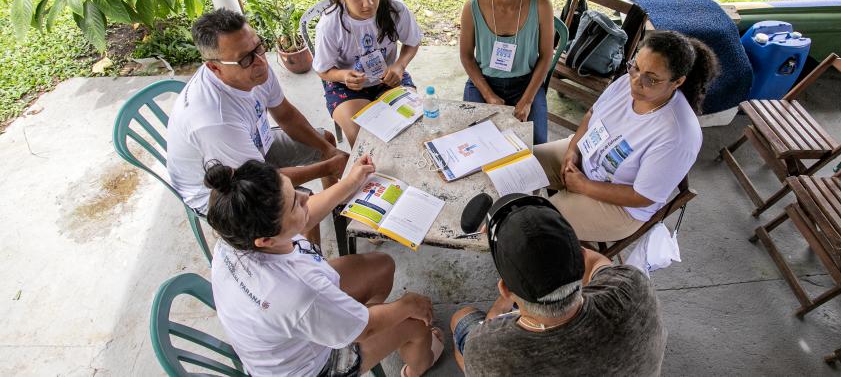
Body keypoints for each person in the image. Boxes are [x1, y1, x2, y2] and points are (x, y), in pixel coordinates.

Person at [206, 156, 445, 377]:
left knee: (381, 267)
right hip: (312, 367)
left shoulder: (235, 233)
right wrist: (405, 306)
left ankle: (351, 321)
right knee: (416, 322)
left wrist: (351, 182)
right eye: (294, 204)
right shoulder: (298, 292)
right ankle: (417, 367)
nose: (305, 197)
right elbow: (364, 329)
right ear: (266, 240)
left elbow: (304, 218)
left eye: (294, 189)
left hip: (287, 333)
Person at [449, 194, 666, 377]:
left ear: (505, 290)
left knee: (461, 318)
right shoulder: (633, 287)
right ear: (580, 256)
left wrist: (497, 311)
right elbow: (599, 263)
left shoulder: (487, 349)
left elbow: (489, 338)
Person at [533, 30, 720, 242]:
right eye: (636, 68)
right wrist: (572, 150)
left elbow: (642, 196)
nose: (636, 81)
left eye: (651, 79)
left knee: (534, 223)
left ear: (677, 82)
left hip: (620, 207)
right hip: (585, 158)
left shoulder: (677, 135)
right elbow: (591, 114)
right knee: (512, 165)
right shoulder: (626, 82)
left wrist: (583, 186)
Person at [166, 8, 348, 223]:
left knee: (324, 141)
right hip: (222, 191)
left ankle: (334, 206)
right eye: (244, 59)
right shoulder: (215, 120)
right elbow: (259, 180)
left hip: (252, 147)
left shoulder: (255, 65)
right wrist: (329, 166)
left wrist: (328, 151)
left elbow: (286, 115)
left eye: (259, 47)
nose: (260, 61)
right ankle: (310, 254)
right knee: (300, 206)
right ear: (215, 67)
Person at [311, 0, 423, 146]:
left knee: (411, 127)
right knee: (365, 140)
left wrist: (399, 66)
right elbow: (323, 70)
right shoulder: (330, 24)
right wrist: (344, 75)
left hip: (388, 77)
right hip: (346, 85)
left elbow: (412, 42)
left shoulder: (395, 9)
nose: (368, 3)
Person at [459, 0, 554, 145]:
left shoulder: (541, 6)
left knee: (535, 144)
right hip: (484, 82)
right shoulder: (473, 6)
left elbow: (546, 56)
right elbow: (466, 57)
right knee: (476, 143)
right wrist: (489, 95)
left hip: (526, 83)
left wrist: (527, 100)